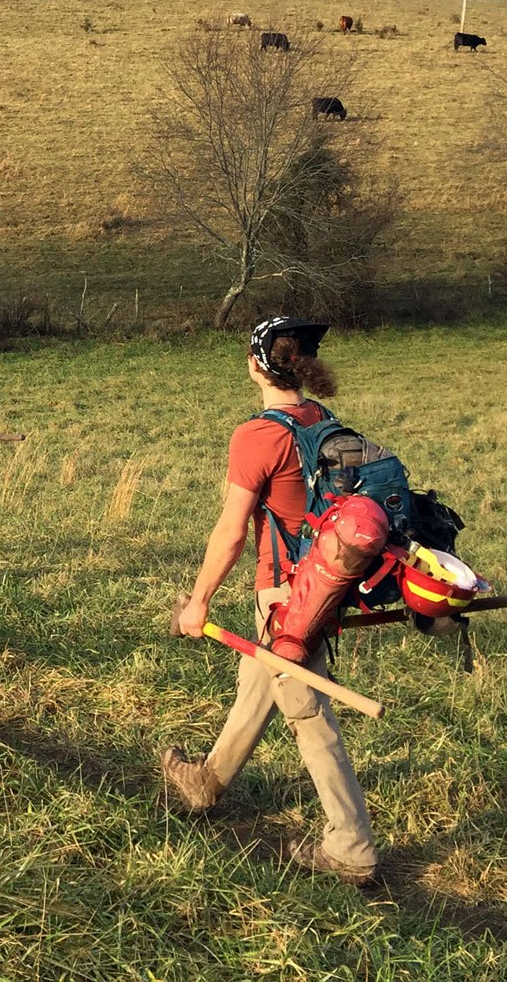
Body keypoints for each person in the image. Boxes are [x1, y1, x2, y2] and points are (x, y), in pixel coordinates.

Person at [162, 316, 379, 886]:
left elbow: (231, 531)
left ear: (257, 364)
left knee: (307, 712)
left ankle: (351, 847)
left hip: (287, 591)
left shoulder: (257, 435)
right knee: (259, 678)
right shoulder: (324, 422)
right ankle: (206, 781)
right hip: (326, 582)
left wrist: (198, 602)